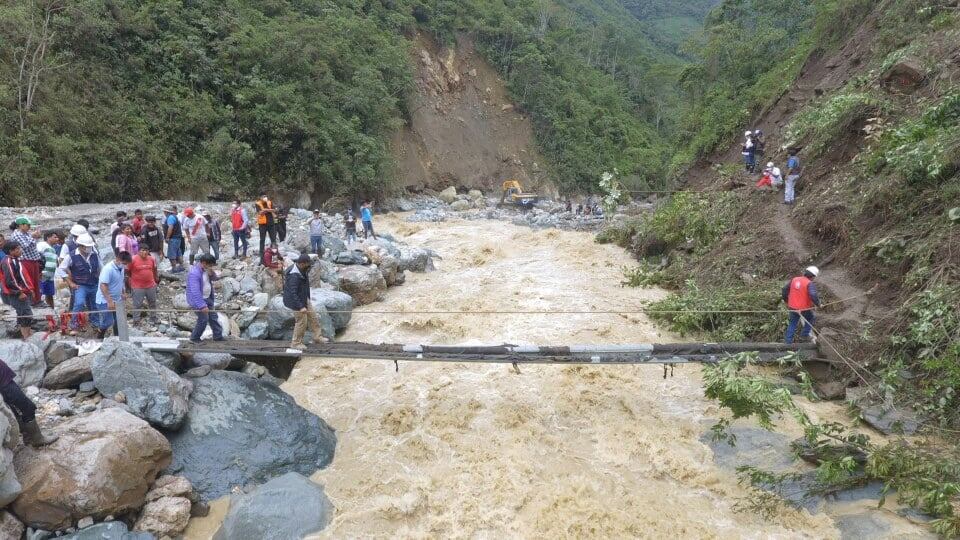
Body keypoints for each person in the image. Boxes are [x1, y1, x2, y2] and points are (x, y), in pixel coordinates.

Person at [0, 359, 57, 445]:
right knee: (27, 407)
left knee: (17, 411)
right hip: (5, 385)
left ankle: (28, 438)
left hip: (5, 381)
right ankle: (38, 439)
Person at [284, 254, 327, 349]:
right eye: (308, 264)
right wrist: (301, 306)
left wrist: (307, 298)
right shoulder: (293, 276)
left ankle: (317, 337)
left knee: (313, 317)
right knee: (301, 321)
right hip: (295, 301)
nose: (309, 267)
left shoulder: (302, 269)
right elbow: (293, 293)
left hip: (303, 297)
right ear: (302, 264)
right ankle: (295, 343)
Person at [60, 233, 100, 333]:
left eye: (90, 246)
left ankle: (95, 323)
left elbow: (101, 268)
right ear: (81, 246)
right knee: (79, 303)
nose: (89, 248)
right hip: (80, 285)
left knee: (95, 304)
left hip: (94, 283)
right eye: (87, 246)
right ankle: (74, 325)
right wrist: (70, 282)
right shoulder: (71, 256)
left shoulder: (94, 254)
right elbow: (61, 269)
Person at [185, 254, 224, 344]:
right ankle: (194, 338)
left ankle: (218, 336)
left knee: (213, 317)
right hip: (199, 301)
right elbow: (195, 291)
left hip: (208, 297)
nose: (211, 267)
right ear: (203, 263)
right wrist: (202, 306)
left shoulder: (206, 269)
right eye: (210, 265)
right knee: (203, 319)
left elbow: (215, 279)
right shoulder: (194, 273)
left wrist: (211, 273)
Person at [1, 242, 35, 339]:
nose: (20, 250)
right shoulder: (8, 262)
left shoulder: (14, 260)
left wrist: (29, 289)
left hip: (22, 290)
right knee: (26, 313)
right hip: (16, 293)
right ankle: (26, 336)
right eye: (18, 249)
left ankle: (25, 333)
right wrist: (19, 292)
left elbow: (21, 277)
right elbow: (10, 280)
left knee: (22, 312)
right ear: (11, 251)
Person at [94, 251, 130, 339]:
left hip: (117, 299)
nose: (125, 265)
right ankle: (99, 337)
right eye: (124, 263)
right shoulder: (108, 269)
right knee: (108, 321)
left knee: (119, 321)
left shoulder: (121, 268)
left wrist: (123, 292)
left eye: (126, 264)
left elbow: (120, 281)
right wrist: (109, 301)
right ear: (118, 259)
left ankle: (118, 338)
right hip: (104, 300)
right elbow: (103, 285)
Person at [782, 266, 822, 344]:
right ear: (813, 276)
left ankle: (788, 342)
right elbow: (813, 295)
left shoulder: (794, 279)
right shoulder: (809, 283)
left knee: (792, 323)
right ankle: (804, 335)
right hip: (804, 308)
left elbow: (784, 289)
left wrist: (786, 301)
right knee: (811, 318)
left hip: (792, 307)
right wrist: (818, 304)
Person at [9, 217, 42, 305]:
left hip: (33, 259)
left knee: (36, 281)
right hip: (25, 260)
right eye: (28, 225)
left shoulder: (26, 233)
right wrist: (33, 236)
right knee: (29, 281)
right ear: (21, 225)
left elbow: (33, 244)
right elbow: (25, 245)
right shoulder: (17, 234)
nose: (29, 227)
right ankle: (32, 301)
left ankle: (37, 300)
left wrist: (34, 237)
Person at [127, 245, 159, 325]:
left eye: (146, 250)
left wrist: (156, 278)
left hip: (151, 285)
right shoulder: (133, 259)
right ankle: (136, 320)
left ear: (148, 251)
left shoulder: (152, 259)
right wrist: (132, 279)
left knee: (152, 302)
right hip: (137, 286)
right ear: (138, 251)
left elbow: (154, 269)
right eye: (142, 250)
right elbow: (128, 271)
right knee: (137, 304)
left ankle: (153, 317)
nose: (144, 252)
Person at [36, 231, 61, 309]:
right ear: (48, 238)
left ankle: (51, 311)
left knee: (49, 294)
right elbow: (37, 255)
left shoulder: (53, 249)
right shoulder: (42, 245)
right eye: (55, 237)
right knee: (39, 294)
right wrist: (40, 270)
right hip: (42, 275)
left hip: (50, 276)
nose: (57, 239)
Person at [255, 193, 278, 260]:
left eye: (266, 196)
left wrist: (265, 210)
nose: (265, 197)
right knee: (262, 239)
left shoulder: (269, 202)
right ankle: (261, 253)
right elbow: (260, 213)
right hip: (262, 224)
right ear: (260, 197)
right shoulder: (258, 203)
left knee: (273, 239)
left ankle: (274, 253)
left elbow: (274, 210)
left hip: (271, 223)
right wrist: (268, 210)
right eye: (263, 196)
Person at [163, 206, 185, 273]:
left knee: (171, 254)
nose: (164, 212)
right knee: (178, 252)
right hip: (178, 238)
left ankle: (174, 268)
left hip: (173, 238)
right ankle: (181, 266)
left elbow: (170, 228)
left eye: (164, 211)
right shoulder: (174, 216)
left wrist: (167, 237)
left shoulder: (170, 218)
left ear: (166, 212)